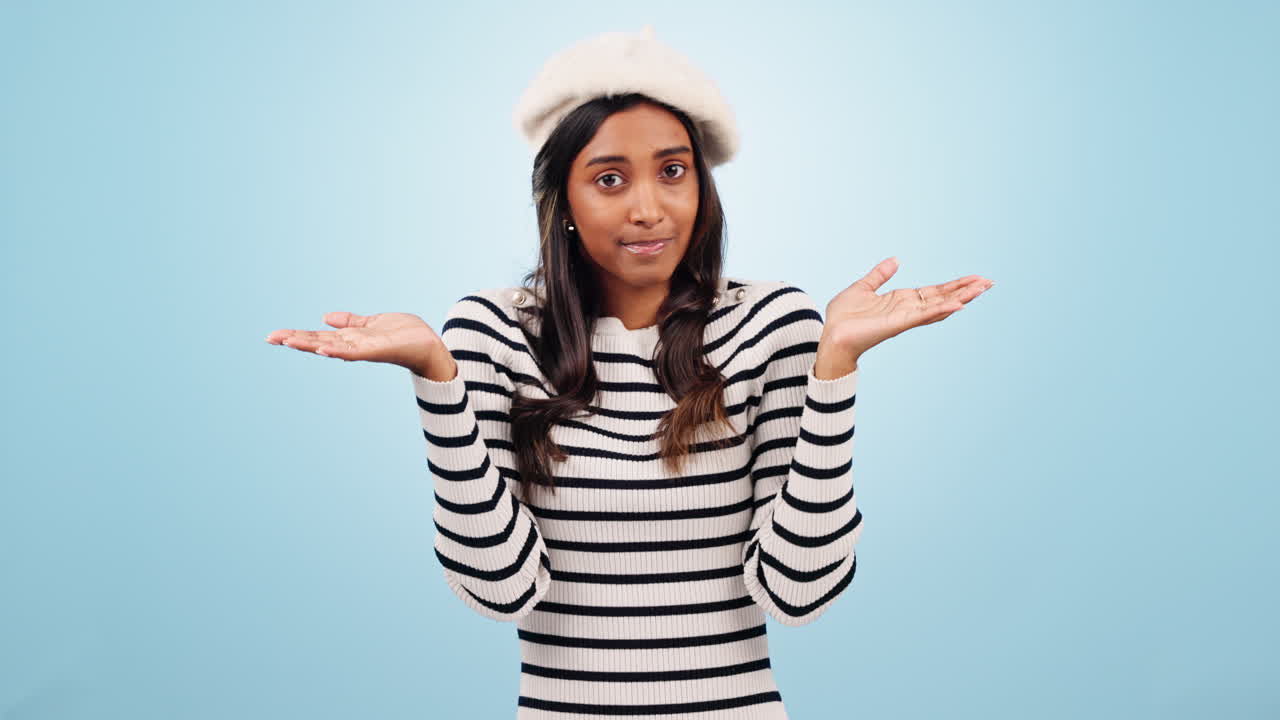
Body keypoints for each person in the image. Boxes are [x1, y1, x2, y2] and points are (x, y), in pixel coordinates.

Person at [267, 25, 993, 720]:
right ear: (566, 203)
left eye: (673, 171)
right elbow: (501, 588)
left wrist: (835, 370)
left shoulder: (774, 326)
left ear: (702, 185)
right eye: (610, 179)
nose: (649, 208)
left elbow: (799, 592)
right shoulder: (493, 334)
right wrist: (436, 379)